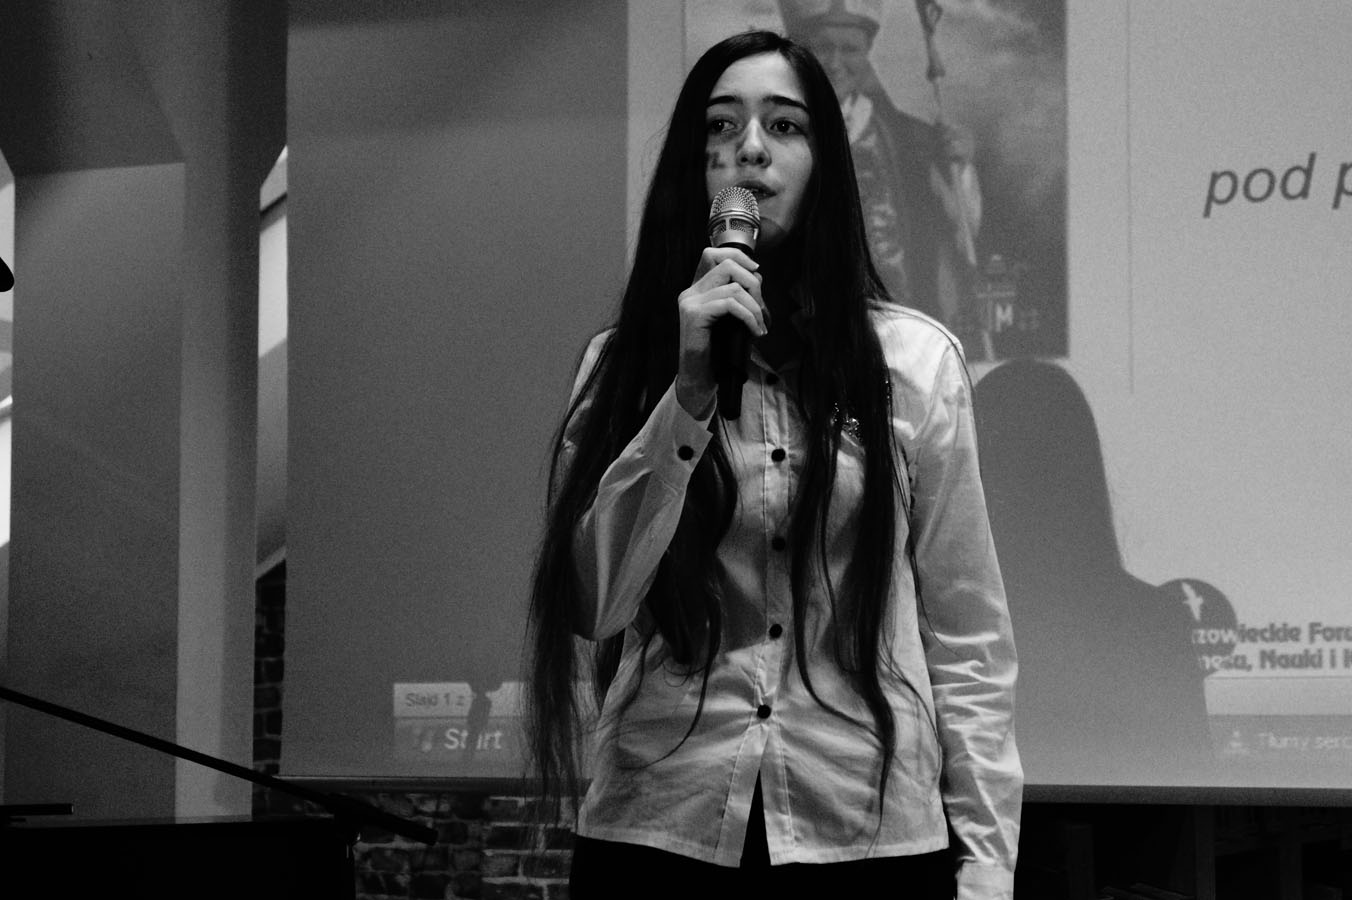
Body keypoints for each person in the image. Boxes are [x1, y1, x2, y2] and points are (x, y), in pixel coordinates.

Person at [526, 30, 1019, 900]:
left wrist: (985, 866)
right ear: (693, 170)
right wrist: (686, 391)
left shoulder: (916, 365)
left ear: (826, 164)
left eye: (784, 126)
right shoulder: (624, 364)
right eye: (721, 127)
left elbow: (967, 634)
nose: (750, 148)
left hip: (865, 829)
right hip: (662, 827)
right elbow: (594, 604)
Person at [779, 0, 987, 353]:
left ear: (867, 54)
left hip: (897, 337)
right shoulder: (772, 137)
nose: (835, 62)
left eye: (849, 49)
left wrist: (961, 166)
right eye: (822, 48)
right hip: (806, 340)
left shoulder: (910, 141)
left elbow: (961, 225)